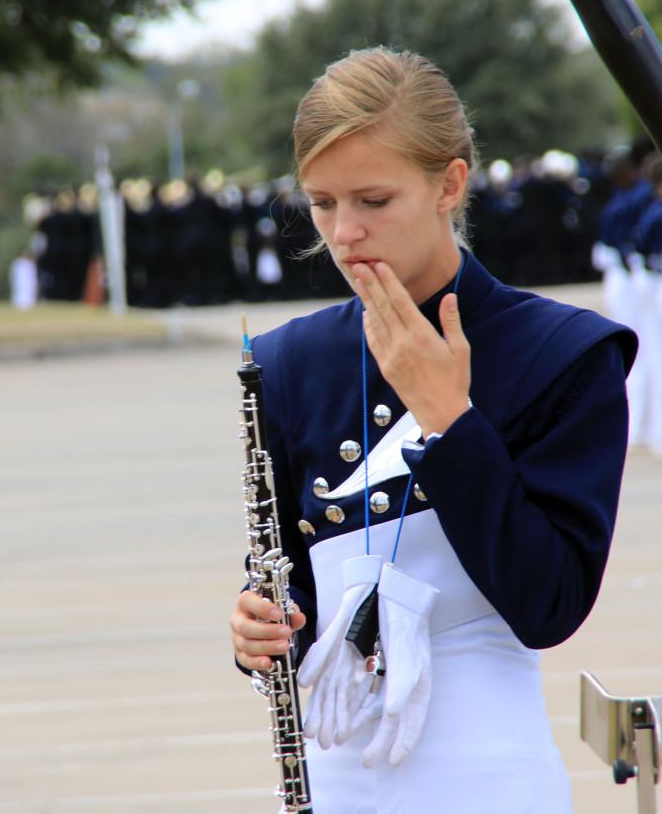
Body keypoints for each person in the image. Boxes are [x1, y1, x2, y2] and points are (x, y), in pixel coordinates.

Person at [228, 47, 636, 814]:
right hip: (339, 781)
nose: (343, 233)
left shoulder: (564, 354)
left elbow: (549, 604)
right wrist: (258, 629)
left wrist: (450, 418)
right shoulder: (286, 363)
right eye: (322, 203)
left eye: (373, 200)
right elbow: (298, 596)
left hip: (492, 778)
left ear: (450, 182)